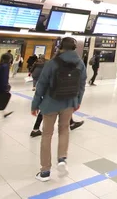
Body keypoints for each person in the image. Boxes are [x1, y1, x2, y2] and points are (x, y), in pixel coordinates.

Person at [32, 37, 87, 182]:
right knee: (64, 130)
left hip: (50, 103)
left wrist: (35, 104)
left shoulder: (52, 63)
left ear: (61, 47)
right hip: (69, 103)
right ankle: (62, 159)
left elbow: (41, 85)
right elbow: (82, 85)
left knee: (47, 135)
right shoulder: (80, 63)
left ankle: (45, 171)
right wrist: (77, 102)